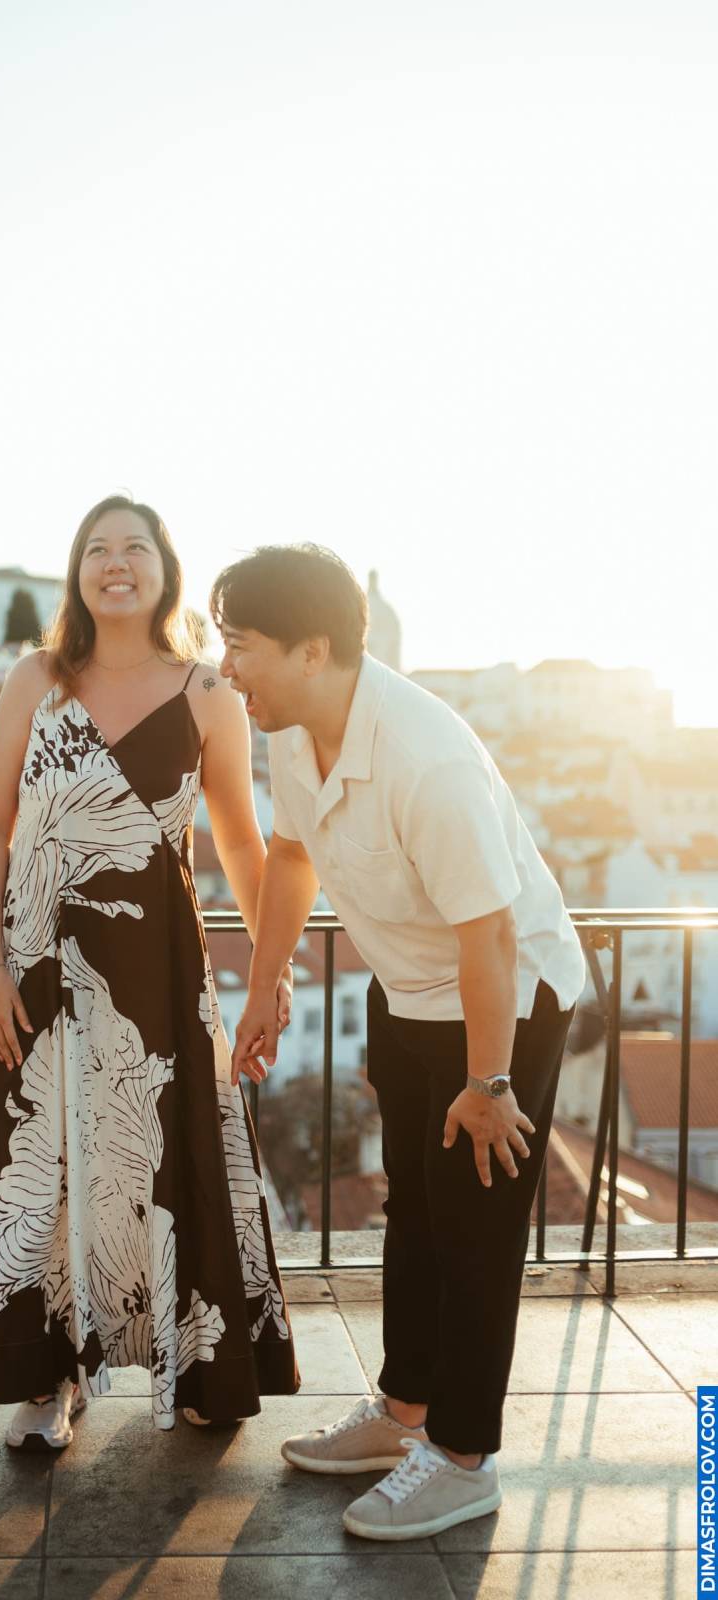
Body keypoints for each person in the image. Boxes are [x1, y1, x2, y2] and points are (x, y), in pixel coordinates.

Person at [210, 543, 585, 1540]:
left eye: (240, 646)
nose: (227, 669)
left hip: (502, 1001)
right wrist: (266, 981)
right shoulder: (293, 731)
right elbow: (290, 855)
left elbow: (490, 934)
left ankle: (462, 1459)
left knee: (475, 1225)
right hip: (408, 992)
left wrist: (490, 1083)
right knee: (414, 1207)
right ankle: (404, 1411)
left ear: (312, 649)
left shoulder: (426, 755)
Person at [0, 496, 299, 1449]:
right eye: (97, 549)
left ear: (164, 570)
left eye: (134, 548)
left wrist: (271, 971)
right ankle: (45, 1381)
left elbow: (243, 846)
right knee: (42, 1170)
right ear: (76, 572)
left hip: (160, 977)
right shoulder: (35, 679)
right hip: (38, 970)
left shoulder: (208, 694)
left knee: (169, 1163)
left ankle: (199, 1363)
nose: (116, 563)